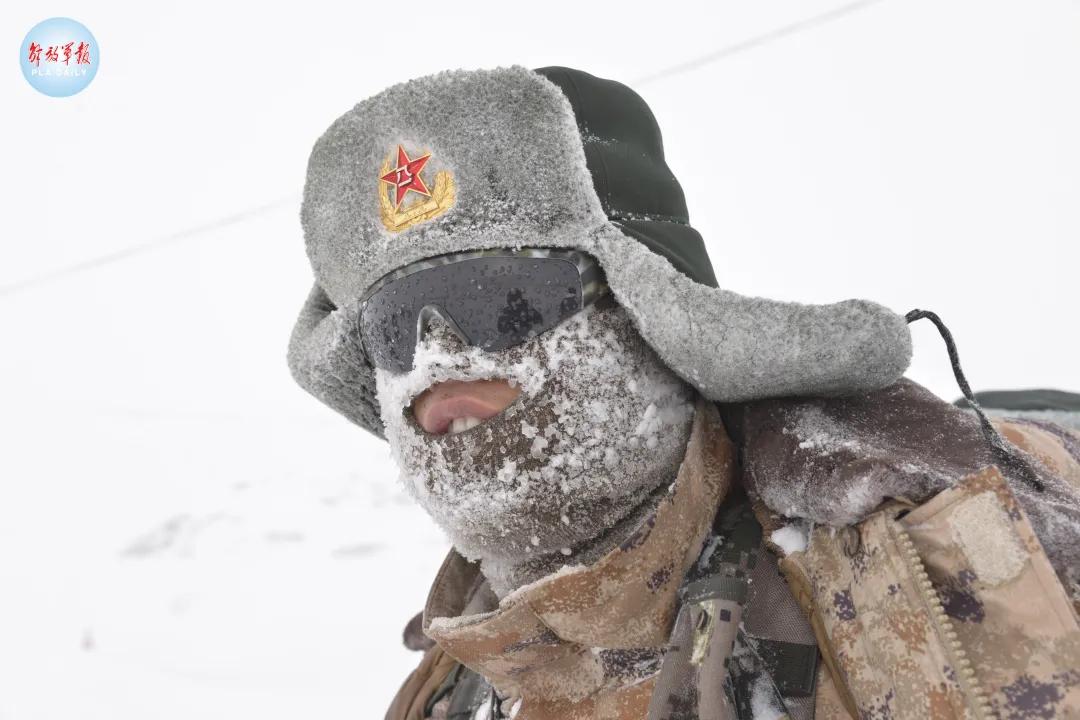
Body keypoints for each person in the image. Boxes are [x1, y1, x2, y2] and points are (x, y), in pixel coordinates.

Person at [287, 66, 1080, 720]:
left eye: (498, 300)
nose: (433, 357)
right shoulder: (458, 668)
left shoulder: (929, 545)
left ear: (650, 319)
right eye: (391, 329)